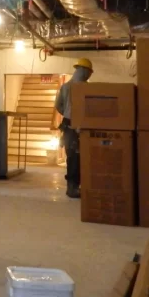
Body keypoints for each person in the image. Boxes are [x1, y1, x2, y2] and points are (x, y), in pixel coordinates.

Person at [54, 58, 93, 198]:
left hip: (72, 126)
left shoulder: (65, 87)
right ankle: (72, 188)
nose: (89, 75)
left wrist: (67, 112)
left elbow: (58, 105)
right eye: (89, 72)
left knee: (74, 157)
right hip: (74, 126)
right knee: (75, 158)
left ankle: (75, 186)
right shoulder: (85, 88)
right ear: (83, 71)